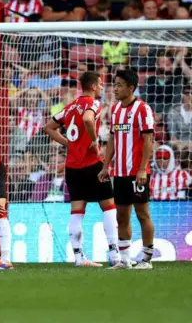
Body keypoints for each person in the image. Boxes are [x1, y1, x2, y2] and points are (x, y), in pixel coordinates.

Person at [43, 72, 120, 267]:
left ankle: (79, 257)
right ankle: (115, 255)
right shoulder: (93, 104)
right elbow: (87, 119)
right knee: (109, 207)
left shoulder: (69, 107)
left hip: (72, 167)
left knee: (77, 210)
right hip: (92, 163)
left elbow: (49, 127)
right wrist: (94, 141)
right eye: (101, 84)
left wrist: (69, 144)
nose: (102, 87)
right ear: (93, 86)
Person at [99, 69, 156, 270]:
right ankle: (124, 260)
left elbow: (148, 140)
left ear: (130, 88)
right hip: (120, 173)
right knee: (121, 215)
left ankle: (147, 260)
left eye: (119, 85)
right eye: (114, 84)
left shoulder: (142, 109)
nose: (115, 89)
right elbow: (113, 139)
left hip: (137, 173)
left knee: (142, 214)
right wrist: (106, 166)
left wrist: (142, 169)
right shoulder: (115, 110)